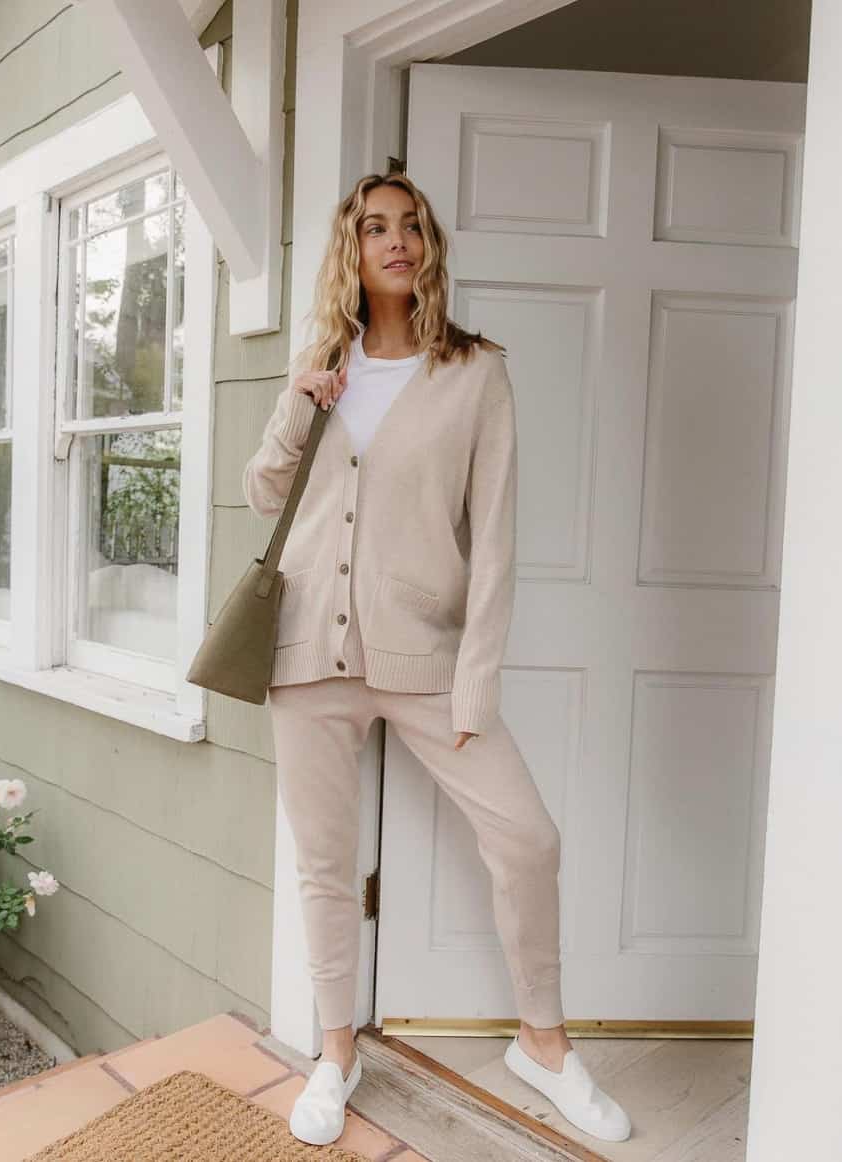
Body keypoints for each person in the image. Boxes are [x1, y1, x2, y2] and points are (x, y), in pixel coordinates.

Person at [244, 172, 631, 1147]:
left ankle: (539, 1042)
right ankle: (336, 1052)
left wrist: (476, 675)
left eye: (410, 224)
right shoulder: (321, 361)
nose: (396, 239)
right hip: (305, 653)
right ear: (351, 248)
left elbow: (493, 538)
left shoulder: (474, 372)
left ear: (428, 244)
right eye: (374, 226)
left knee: (526, 837)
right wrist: (301, 399)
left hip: (422, 656)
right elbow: (260, 493)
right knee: (325, 866)